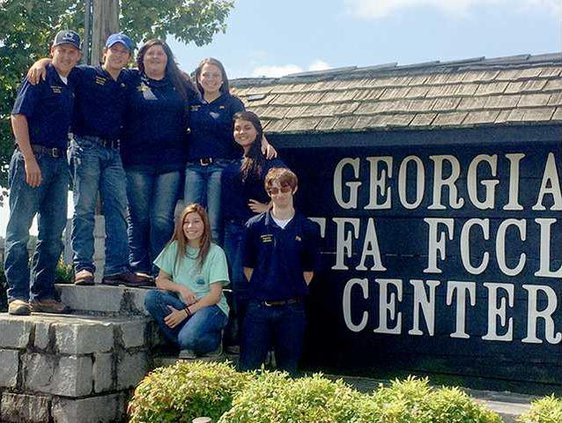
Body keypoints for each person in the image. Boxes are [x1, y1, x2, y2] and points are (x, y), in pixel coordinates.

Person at [27, 33, 150, 287]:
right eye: (113, 50)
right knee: (84, 209)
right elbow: (59, 62)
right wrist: (40, 62)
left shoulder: (129, 79)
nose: (118, 55)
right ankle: (83, 266)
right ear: (104, 52)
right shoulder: (84, 74)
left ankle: (117, 268)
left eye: (123, 52)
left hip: (114, 152)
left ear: (128, 57)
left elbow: (162, 72)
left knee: (118, 209)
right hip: (85, 147)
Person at [4, 30, 82, 315]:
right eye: (61, 50)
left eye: (72, 51)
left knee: (53, 233)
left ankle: (43, 294)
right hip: (32, 157)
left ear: (78, 56)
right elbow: (18, 116)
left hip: (60, 164)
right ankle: (17, 296)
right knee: (19, 230)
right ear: (52, 51)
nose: (66, 55)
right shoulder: (39, 76)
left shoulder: (72, 82)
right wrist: (28, 159)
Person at [122, 39, 199, 277]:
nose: (155, 57)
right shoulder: (131, 80)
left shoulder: (181, 83)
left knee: (162, 219)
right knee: (139, 217)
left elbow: (205, 106)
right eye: (150, 53)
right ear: (142, 58)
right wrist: (43, 62)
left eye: (160, 53)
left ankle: (161, 270)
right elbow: (101, 75)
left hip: (171, 162)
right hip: (136, 161)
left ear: (167, 58)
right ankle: (139, 267)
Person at [239, 168, 321, 375]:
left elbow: (309, 271)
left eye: (284, 189)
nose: (279, 195)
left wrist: (289, 289)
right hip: (259, 308)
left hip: (292, 310)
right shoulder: (254, 226)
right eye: (274, 191)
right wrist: (265, 287)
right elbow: (248, 267)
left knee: (289, 372)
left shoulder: (308, 228)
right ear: (268, 193)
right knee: (249, 371)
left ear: (294, 189)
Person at [221, 111, 286, 350]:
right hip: (230, 228)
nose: (241, 132)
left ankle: (251, 334)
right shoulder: (234, 156)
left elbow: (288, 183)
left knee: (244, 279)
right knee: (234, 282)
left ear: (258, 130)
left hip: (254, 231)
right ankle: (241, 333)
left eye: (247, 127)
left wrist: (268, 206)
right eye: (238, 128)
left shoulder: (268, 159)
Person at [144, 203, 230, 358]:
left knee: (187, 338)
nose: (191, 226)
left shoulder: (216, 252)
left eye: (196, 221)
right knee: (152, 298)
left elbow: (215, 295)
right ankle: (188, 341)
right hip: (183, 304)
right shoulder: (174, 248)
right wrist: (181, 288)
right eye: (186, 222)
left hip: (210, 308)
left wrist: (184, 313)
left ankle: (211, 342)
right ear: (181, 226)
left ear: (205, 224)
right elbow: (161, 281)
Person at [184, 58, 245, 244]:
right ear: (199, 78)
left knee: (214, 225)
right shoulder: (190, 102)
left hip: (220, 168)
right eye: (206, 74)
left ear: (223, 79)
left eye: (216, 75)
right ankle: (191, 268)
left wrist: (265, 143)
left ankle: (214, 270)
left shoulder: (232, 103)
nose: (211, 79)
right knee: (190, 222)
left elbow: (247, 126)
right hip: (193, 168)